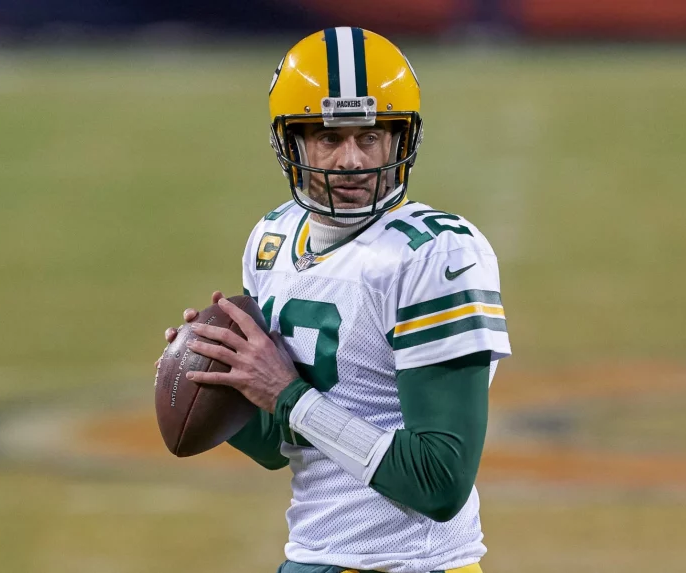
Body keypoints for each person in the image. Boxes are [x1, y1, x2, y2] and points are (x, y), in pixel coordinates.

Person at [157, 27, 511, 573]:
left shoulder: (434, 253)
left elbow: (440, 480)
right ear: (292, 143)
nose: (351, 160)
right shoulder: (273, 239)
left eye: (369, 137)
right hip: (311, 556)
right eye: (329, 137)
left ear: (400, 141)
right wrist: (221, 379)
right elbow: (280, 448)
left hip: (411, 564)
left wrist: (289, 395)